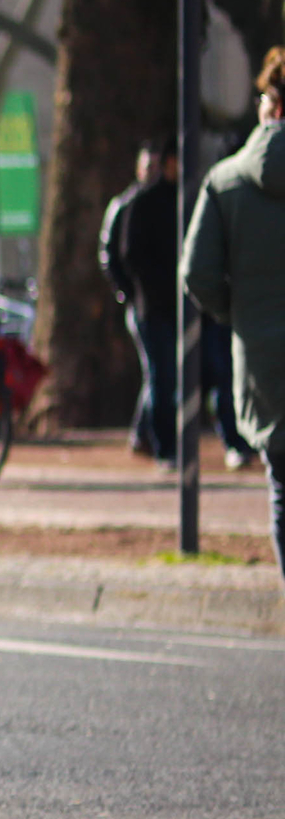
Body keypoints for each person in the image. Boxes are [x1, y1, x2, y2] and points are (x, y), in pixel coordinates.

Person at [183, 47, 285, 584]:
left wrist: (239, 311)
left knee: (283, 490)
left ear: (269, 104)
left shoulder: (227, 183)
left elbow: (196, 275)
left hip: (266, 359)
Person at [101, 139, 180, 462]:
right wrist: (130, 293)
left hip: (164, 305)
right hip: (146, 305)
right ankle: (160, 443)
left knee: (160, 374)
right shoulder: (129, 204)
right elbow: (116, 256)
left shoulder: (170, 200)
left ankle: (142, 433)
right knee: (160, 374)